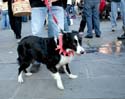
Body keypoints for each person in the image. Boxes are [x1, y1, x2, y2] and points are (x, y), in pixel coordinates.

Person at [29, 0, 64, 73]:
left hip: (57, 3)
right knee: (36, 33)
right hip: (37, 4)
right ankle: (37, 59)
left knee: (57, 34)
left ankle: (57, 59)